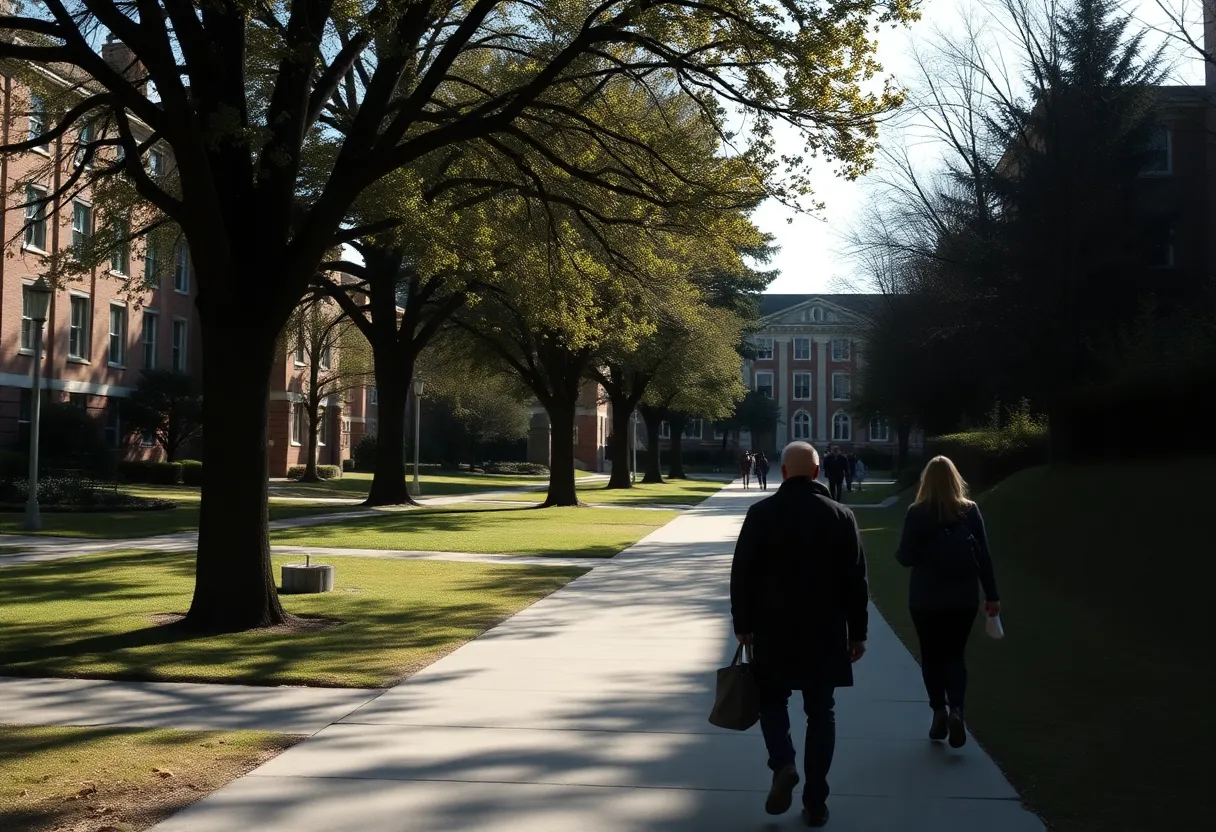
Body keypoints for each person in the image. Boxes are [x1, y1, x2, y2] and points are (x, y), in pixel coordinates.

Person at [730, 442, 869, 827]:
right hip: (824, 630)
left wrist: (743, 624)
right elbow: (857, 582)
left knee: (771, 701)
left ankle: (784, 762)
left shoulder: (761, 514)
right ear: (818, 471)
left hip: (773, 627)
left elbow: (742, 574)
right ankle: (816, 802)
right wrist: (857, 633)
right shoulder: (841, 515)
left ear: (784, 472)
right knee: (821, 713)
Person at [895, 456, 1000, 749]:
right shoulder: (970, 511)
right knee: (955, 655)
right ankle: (957, 709)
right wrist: (992, 595)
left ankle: (938, 710)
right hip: (962, 597)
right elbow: (984, 558)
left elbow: (905, 558)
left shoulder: (917, 512)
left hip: (925, 598)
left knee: (931, 656)